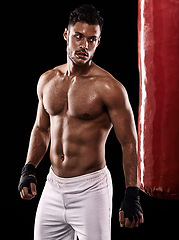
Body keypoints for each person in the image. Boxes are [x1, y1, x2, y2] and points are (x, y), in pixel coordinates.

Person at [18, 4, 144, 240]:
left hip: (91, 189)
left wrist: (132, 193)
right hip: (53, 186)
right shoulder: (47, 80)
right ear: (66, 35)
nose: (84, 45)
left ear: (98, 41)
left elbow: (129, 141)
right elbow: (41, 128)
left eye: (91, 39)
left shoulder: (109, 87)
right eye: (78, 37)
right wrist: (30, 168)